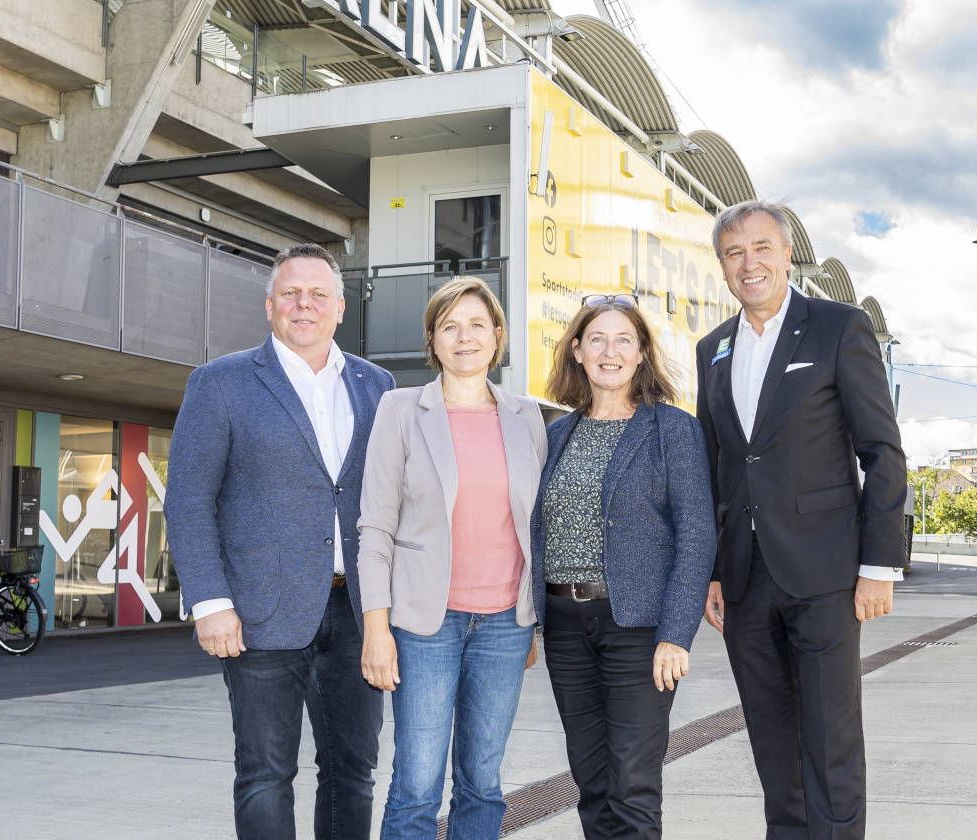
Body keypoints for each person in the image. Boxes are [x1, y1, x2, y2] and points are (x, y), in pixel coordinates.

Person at [165, 243, 394, 840]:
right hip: (258, 614)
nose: (304, 304)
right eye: (290, 293)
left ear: (340, 308)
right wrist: (211, 603)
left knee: (353, 772)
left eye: (318, 294)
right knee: (265, 773)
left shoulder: (379, 387)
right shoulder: (220, 383)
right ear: (269, 306)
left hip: (357, 613)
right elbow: (189, 499)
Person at [696, 200, 906, 839]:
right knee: (771, 741)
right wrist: (709, 573)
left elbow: (883, 452)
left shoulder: (838, 328)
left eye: (761, 247)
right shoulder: (712, 348)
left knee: (830, 738)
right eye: (734, 253)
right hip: (744, 579)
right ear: (723, 268)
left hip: (826, 573)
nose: (749, 263)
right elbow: (714, 468)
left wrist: (879, 565)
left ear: (787, 254)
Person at [356, 276, 547, 840]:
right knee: (416, 785)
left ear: (498, 337)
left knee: (482, 783)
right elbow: (375, 526)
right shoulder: (399, 410)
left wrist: (529, 619)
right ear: (432, 341)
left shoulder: (526, 416)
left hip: (504, 628)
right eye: (450, 327)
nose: (465, 338)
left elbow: (533, 527)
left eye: (477, 325)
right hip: (423, 626)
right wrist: (376, 629)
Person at [531, 294, 716, 840]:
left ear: (641, 355)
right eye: (597, 339)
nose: (609, 351)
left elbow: (697, 537)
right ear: (577, 352)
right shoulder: (556, 435)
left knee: (633, 784)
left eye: (623, 340)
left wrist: (675, 636)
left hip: (638, 630)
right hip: (565, 625)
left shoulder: (673, 430)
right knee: (591, 781)